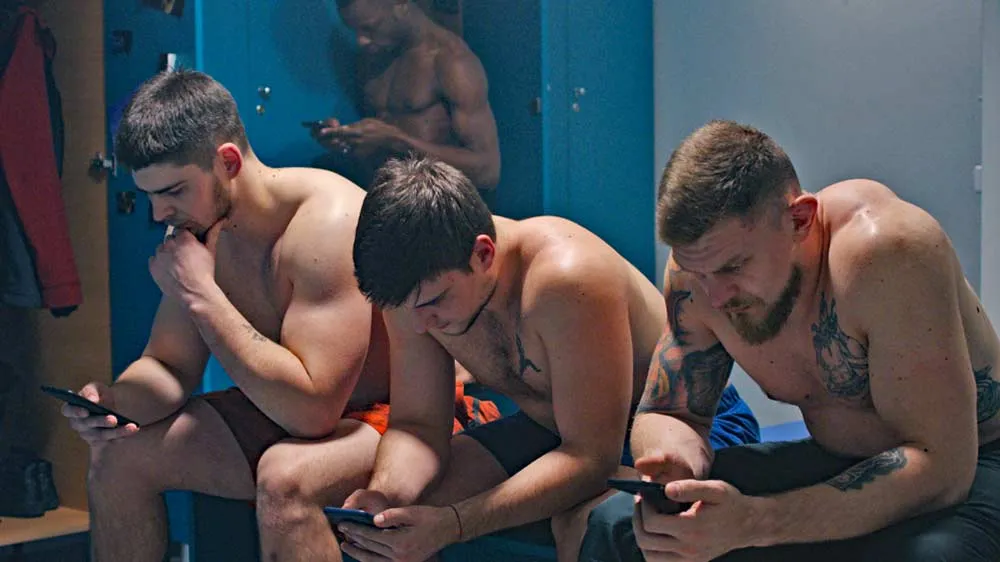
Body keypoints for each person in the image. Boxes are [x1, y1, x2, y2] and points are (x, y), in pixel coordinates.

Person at [60, 70, 497, 562]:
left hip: (402, 418)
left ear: (227, 161)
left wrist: (201, 294)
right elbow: (168, 365)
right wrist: (114, 405)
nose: (159, 213)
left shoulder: (326, 223)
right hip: (293, 409)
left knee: (286, 478)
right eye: (151, 195)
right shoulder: (200, 229)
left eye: (174, 191)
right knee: (118, 455)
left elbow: (313, 413)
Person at [579, 120, 1000, 561]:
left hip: (974, 466)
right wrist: (674, 465)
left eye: (733, 268)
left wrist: (756, 523)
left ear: (799, 219)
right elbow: (671, 413)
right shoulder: (699, 277)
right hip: (839, 459)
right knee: (622, 525)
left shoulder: (888, 252)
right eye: (697, 272)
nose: (715, 297)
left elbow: (942, 468)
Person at [337, 155, 760, 562]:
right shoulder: (414, 295)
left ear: (483, 254)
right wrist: (384, 496)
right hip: (556, 426)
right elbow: (418, 425)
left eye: (434, 303)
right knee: (400, 519)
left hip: (686, 424)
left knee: (585, 523)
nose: (419, 326)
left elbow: (590, 459)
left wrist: (454, 524)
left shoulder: (566, 277)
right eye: (406, 308)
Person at [311, 0, 501, 191]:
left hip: (435, 201)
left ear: (400, 4)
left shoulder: (452, 61)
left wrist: (396, 141)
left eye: (369, 27)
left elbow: (488, 172)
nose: (361, 41)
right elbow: (381, 146)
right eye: (354, 30)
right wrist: (348, 140)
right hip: (384, 195)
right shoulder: (371, 59)